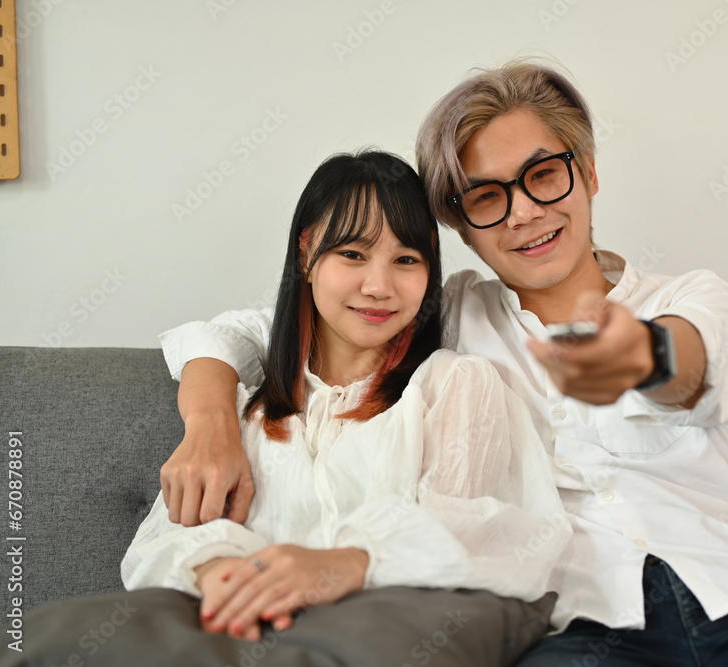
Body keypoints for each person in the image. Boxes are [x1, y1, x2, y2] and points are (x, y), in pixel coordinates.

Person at [158, 62, 728, 665]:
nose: (524, 213)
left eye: (543, 176)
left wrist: (642, 355)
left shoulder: (687, 293)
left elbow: (701, 366)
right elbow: (241, 327)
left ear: (586, 173)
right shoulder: (444, 314)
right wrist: (208, 422)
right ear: (461, 223)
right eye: (488, 195)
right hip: (578, 628)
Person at [124, 149, 569, 643]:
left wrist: (333, 567)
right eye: (352, 254)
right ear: (306, 254)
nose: (379, 286)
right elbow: (160, 544)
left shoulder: (454, 385)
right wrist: (216, 571)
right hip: (234, 636)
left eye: (406, 260)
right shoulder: (244, 410)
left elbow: (469, 535)